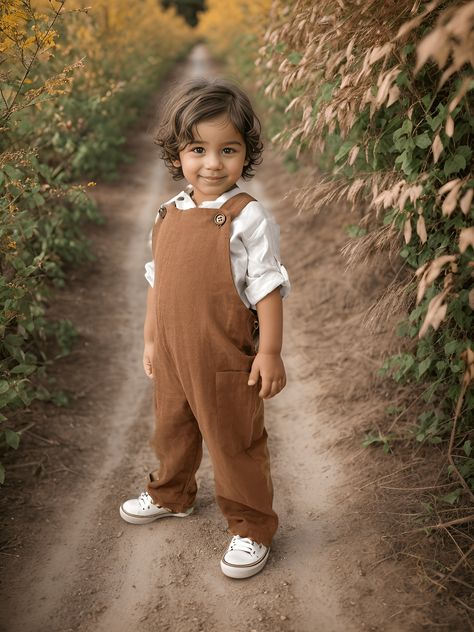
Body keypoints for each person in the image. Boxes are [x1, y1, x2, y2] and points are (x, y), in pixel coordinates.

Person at [119, 79, 291, 579]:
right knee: (171, 429)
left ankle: (252, 526)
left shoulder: (247, 216)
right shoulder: (167, 213)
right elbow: (157, 282)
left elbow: (267, 287)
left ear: (245, 155)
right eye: (199, 149)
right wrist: (151, 339)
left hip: (224, 357)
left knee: (234, 439)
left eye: (228, 150)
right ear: (177, 154)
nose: (213, 163)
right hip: (173, 352)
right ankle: (172, 494)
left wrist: (270, 352)